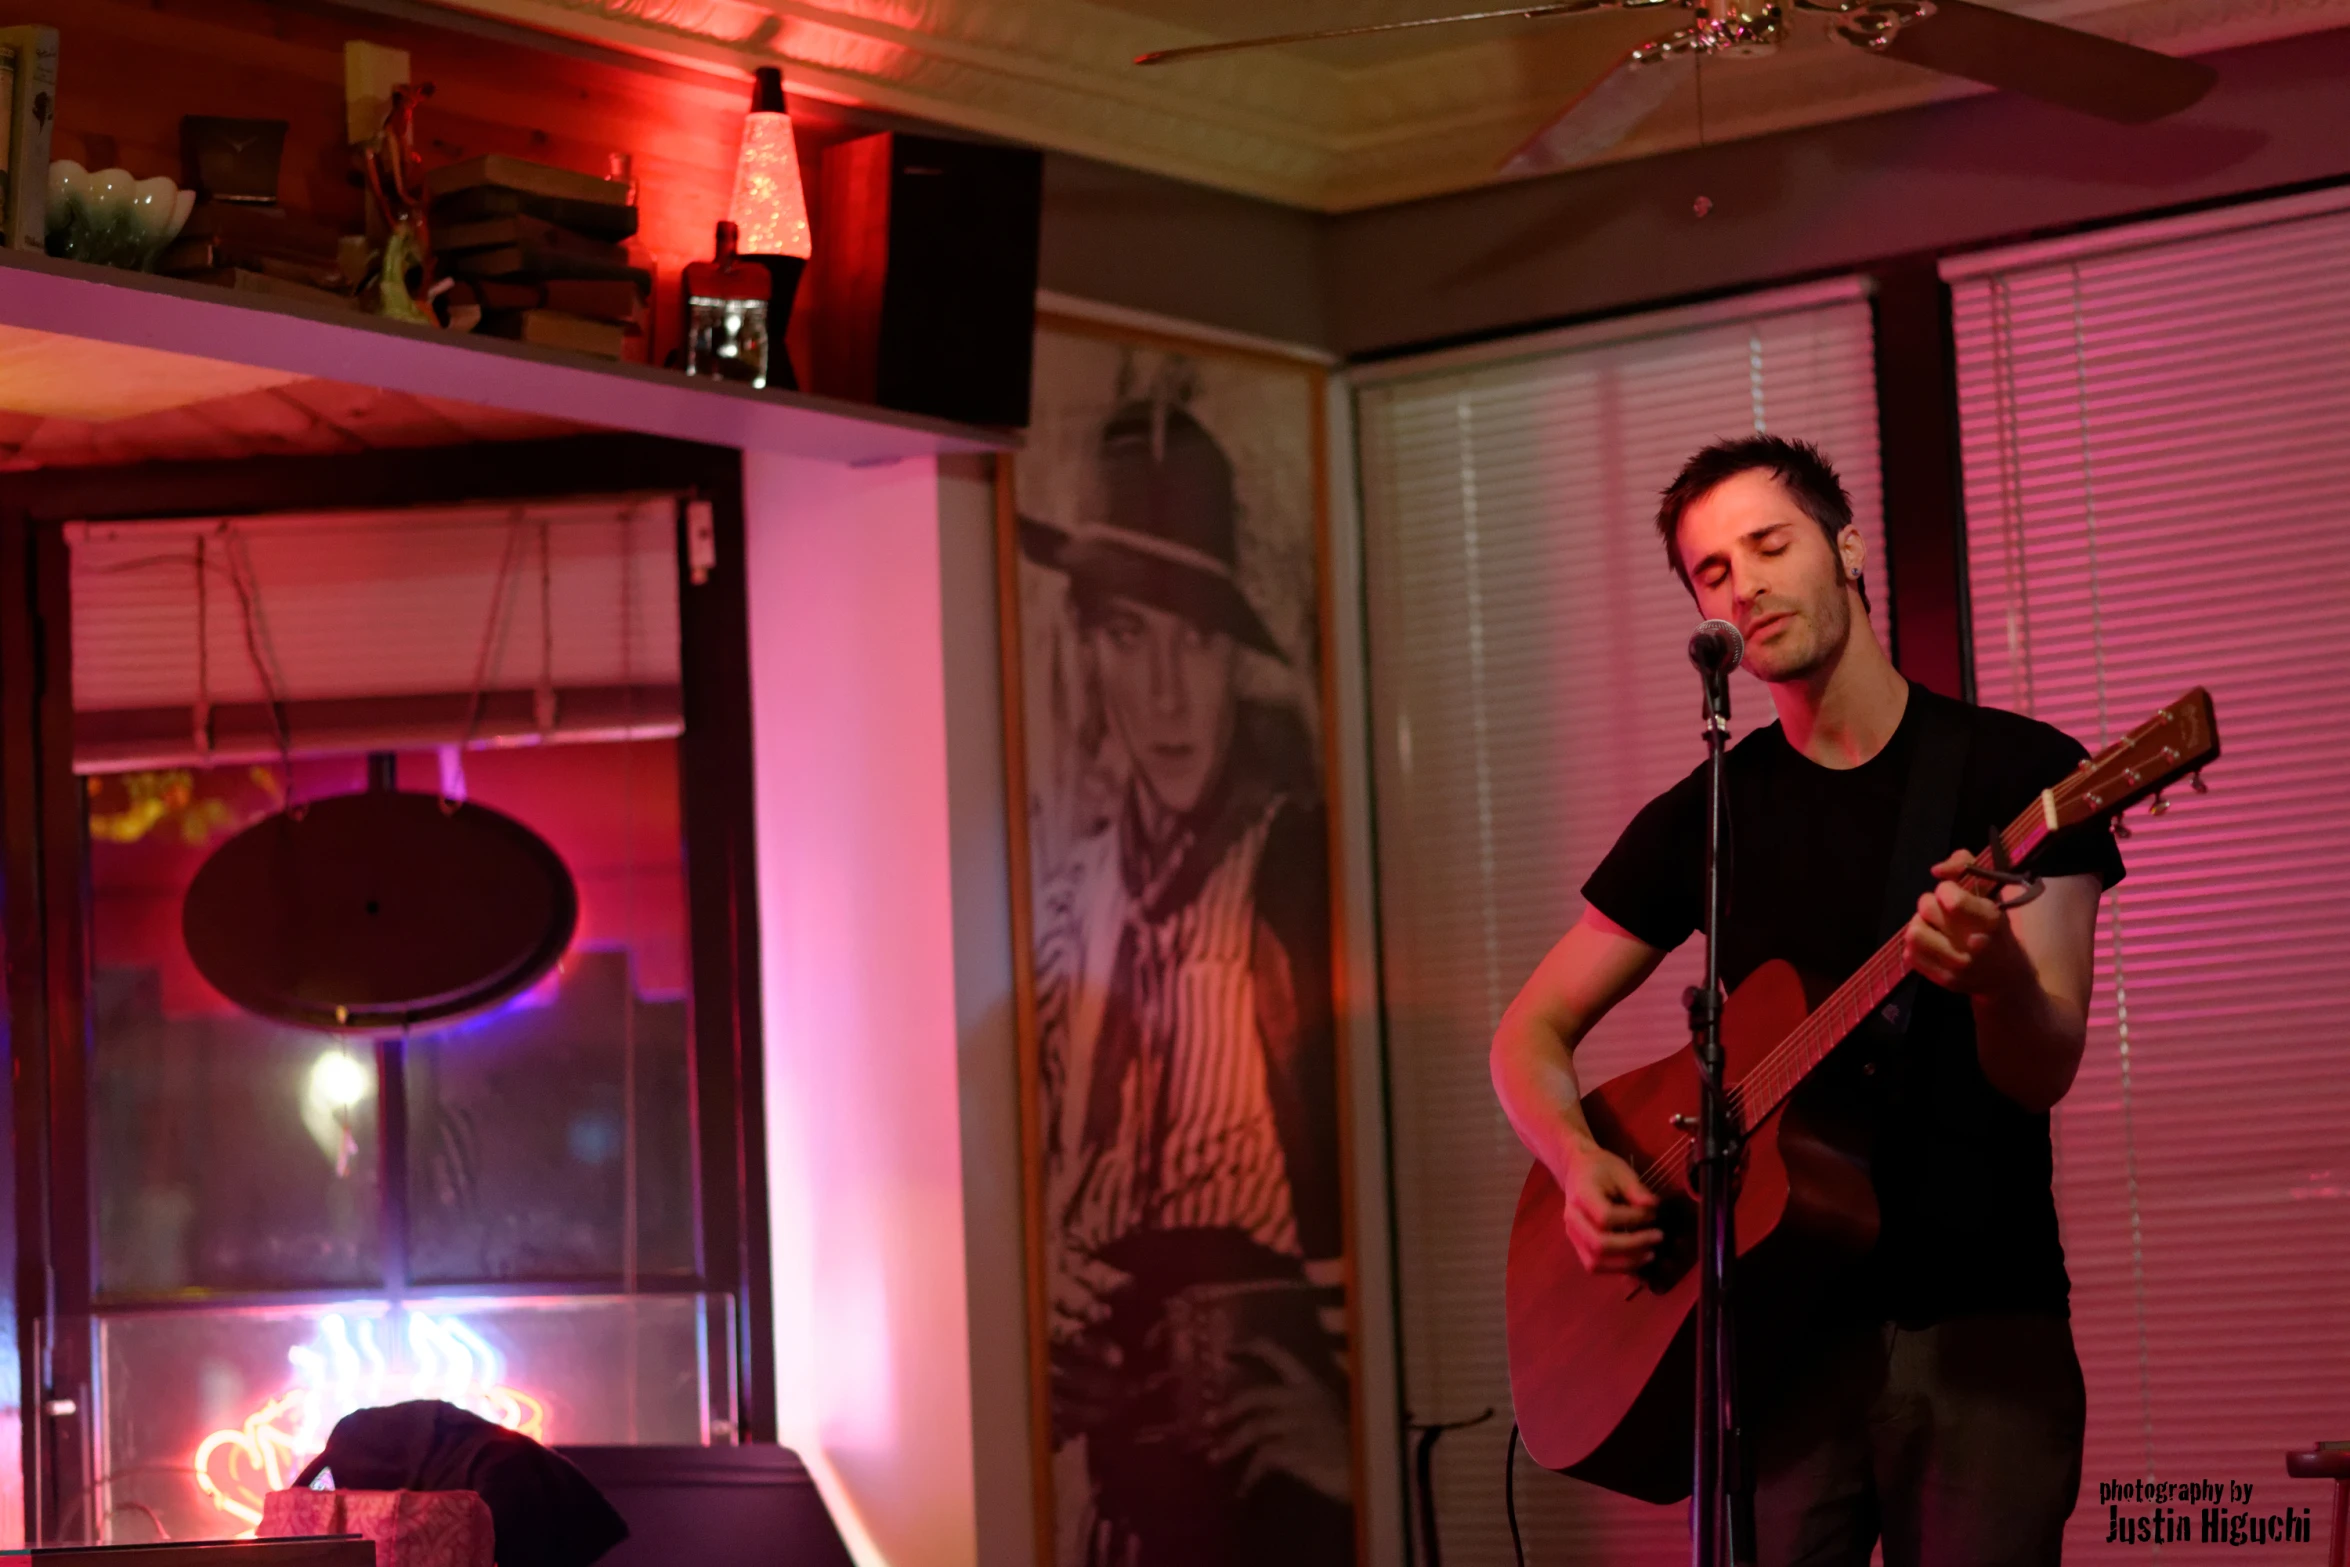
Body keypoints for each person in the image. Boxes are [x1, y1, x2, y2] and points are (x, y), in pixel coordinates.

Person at [1489, 435, 2125, 1567]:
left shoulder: (2020, 775)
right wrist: (1581, 1165)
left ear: (1845, 547)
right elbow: (1527, 1033)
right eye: (1712, 571)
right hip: (1767, 1343)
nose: (1745, 584)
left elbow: (2044, 1066)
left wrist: (1993, 978)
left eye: (1768, 545)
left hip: (1978, 1330)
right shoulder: (1709, 813)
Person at [1021, 395, 1352, 1567]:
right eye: (1129, 638)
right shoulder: (1063, 901)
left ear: (1232, 663)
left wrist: (1349, 1439)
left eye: (1195, 644)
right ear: (1088, 648)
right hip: (1118, 1496)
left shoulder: (1293, 868)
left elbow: (1363, 1180)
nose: (1164, 694)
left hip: (1268, 1497)